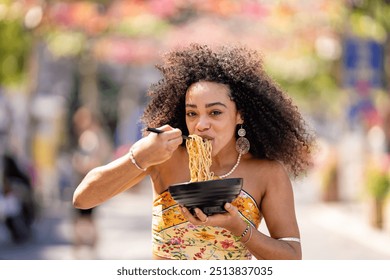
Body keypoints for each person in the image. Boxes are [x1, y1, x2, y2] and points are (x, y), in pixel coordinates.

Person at [73, 44, 315, 260]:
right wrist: (139, 157)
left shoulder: (267, 173)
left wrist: (238, 227)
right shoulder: (163, 157)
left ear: (240, 114)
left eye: (215, 112)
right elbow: (83, 199)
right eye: (192, 113)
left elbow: (292, 257)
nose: (201, 124)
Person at [71, 106, 113, 259]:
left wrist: (79, 164)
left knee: (81, 214)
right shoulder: (99, 135)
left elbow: (93, 160)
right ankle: (89, 246)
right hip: (93, 179)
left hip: (86, 179)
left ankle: (80, 246)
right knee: (87, 216)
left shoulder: (90, 136)